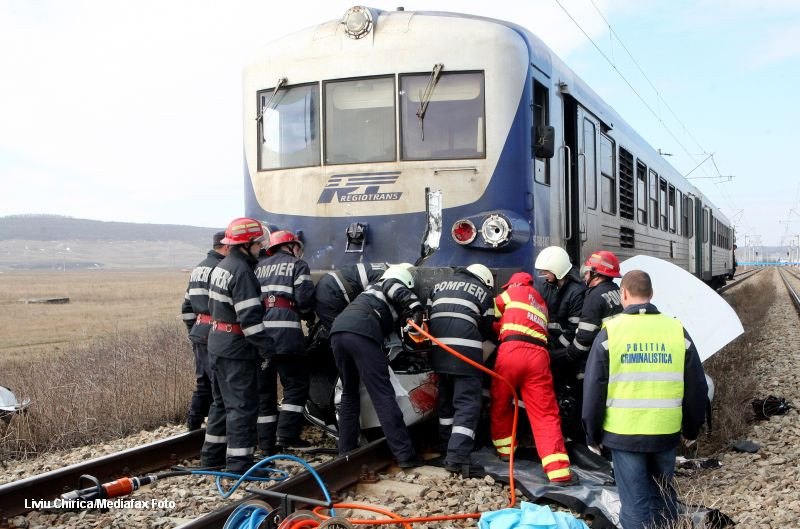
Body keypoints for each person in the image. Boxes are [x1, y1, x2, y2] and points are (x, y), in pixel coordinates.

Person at [582, 270, 708, 529]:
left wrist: (592, 435)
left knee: (636, 505)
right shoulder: (676, 331)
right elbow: (697, 386)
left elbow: (594, 389)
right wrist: (692, 428)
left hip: (624, 435)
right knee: (663, 498)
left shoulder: (610, 333)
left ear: (623, 294)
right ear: (651, 294)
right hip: (665, 433)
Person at [200, 218, 275, 474]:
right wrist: (267, 349)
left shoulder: (222, 266)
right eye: (258, 243)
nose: (261, 248)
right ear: (246, 245)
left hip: (217, 343)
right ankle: (240, 464)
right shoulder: (242, 272)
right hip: (236, 349)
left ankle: (211, 458)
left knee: (220, 403)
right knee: (242, 407)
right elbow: (250, 322)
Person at [329, 265, 424, 468]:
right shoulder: (387, 283)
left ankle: (346, 451)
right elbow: (395, 288)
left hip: (338, 332)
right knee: (383, 395)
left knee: (349, 393)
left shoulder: (369, 295)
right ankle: (405, 456)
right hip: (361, 333)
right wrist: (416, 308)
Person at [490, 272, 575, 485]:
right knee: (545, 413)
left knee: (500, 402)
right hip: (539, 357)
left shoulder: (512, 292)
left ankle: (505, 451)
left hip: (511, 352)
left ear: (513, 283)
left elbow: (492, 313)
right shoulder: (541, 303)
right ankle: (558, 472)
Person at [427, 264, 495, 473]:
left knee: (446, 404)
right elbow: (487, 329)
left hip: (438, 351)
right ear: (485, 280)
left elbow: (429, 313)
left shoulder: (438, 286)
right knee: (467, 404)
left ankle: (445, 449)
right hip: (466, 355)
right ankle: (458, 458)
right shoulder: (483, 292)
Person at [253, 230, 315, 451]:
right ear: (290, 246)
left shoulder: (259, 267)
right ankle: (287, 435)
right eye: (298, 247)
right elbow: (305, 300)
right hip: (287, 335)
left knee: (265, 391)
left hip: (260, 335)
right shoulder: (298, 265)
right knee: (296, 385)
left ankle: (266, 440)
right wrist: (306, 314)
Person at [552, 251, 623, 439]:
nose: (584, 276)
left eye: (587, 272)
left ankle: (583, 438)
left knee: (585, 399)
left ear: (596, 274)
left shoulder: (594, 296)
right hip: (615, 357)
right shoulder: (615, 291)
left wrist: (562, 356)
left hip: (597, 359)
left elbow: (583, 341)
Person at [180, 231, 229, 430]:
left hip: (200, 331)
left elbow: (186, 306)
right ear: (226, 247)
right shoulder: (221, 269)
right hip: (217, 332)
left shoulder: (197, 269)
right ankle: (219, 433)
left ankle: (193, 424)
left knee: (203, 382)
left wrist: (194, 331)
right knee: (220, 385)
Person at [313, 263, 388, 338]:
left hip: (328, 284)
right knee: (344, 334)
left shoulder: (383, 267)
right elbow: (371, 303)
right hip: (332, 294)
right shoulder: (388, 277)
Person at [534, 246, 586, 351]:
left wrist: (553, 348)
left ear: (557, 270)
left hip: (564, 349)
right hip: (549, 342)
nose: (542, 274)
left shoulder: (576, 293)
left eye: (546, 271)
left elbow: (573, 331)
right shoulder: (547, 286)